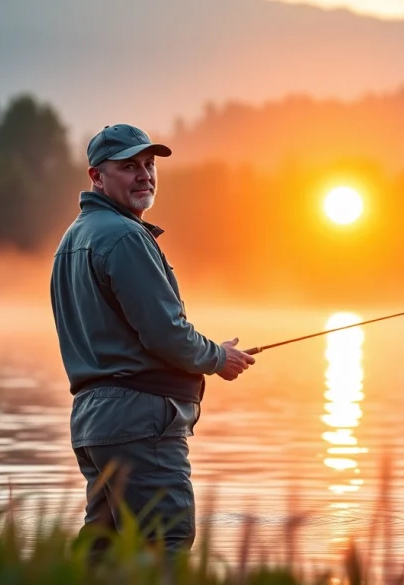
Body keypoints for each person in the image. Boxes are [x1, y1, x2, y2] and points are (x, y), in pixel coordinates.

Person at [50, 123, 256, 559]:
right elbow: (165, 333)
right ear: (96, 176)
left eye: (148, 164)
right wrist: (218, 357)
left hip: (96, 426)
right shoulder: (124, 237)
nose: (144, 174)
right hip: (139, 425)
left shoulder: (72, 240)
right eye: (129, 166)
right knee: (167, 543)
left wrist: (210, 354)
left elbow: (136, 331)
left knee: (102, 552)